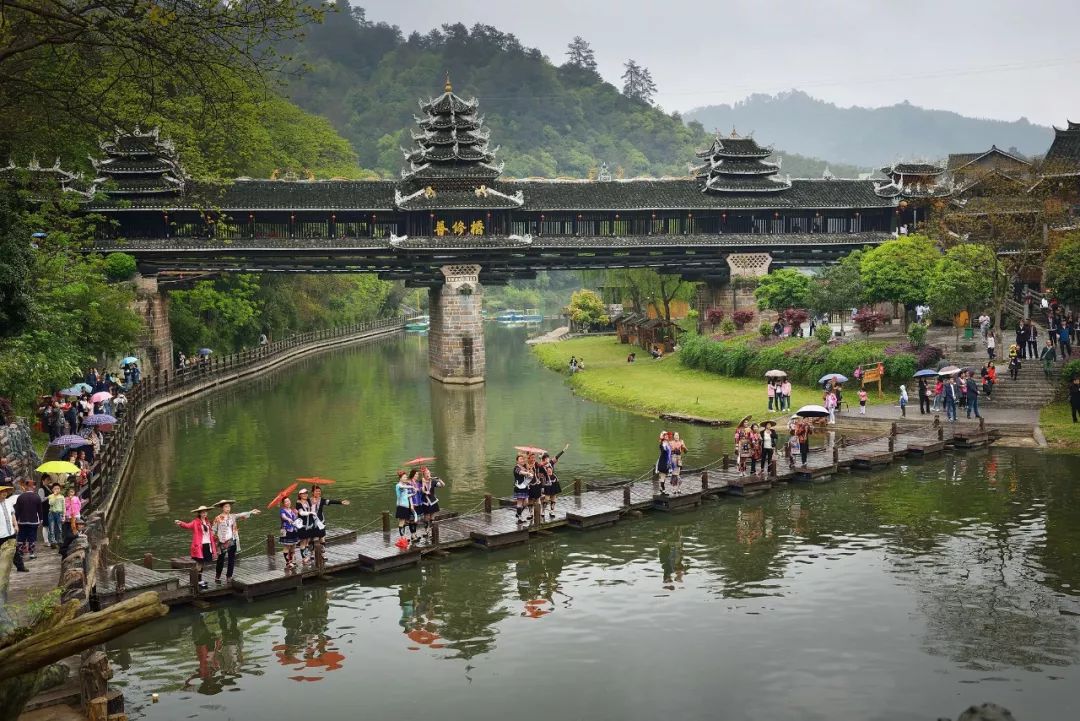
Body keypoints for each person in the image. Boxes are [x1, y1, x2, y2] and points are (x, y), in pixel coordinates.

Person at [211, 500, 260, 583]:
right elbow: (213, 530)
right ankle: (217, 575)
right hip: (222, 541)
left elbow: (241, 514)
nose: (228, 508)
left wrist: (251, 512)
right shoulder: (218, 518)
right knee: (220, 560)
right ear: (222, 508)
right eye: (226, 507)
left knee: (231, 559)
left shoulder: (232, 516)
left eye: (229, 506)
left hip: (232, 540)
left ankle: (229, 576)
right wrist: (214, 541)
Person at [174, 505, 216, 589]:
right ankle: (197, 580)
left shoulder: (207, 522)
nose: (204, 514)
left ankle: (200, 580)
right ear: (199, 513)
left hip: (207, 544)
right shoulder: (195, 522)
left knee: (203, 563)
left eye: (205, 512)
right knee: (199, 563)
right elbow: (187, 526)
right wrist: (180, 523)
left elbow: (210, 534)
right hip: (199, 546)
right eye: (202, 512)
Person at [13, 478, 43, 560]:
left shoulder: (20, 497)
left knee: (21, 537)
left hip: (22, 521)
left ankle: (20, 553)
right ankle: (32, 554)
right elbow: (40, 510)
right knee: (32, 537)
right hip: (33, 522)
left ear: (25, 487)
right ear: (33, 487)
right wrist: (41, 519)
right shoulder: (37, 497)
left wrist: (15, 520)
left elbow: (17, 511)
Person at [0, 483, 27, 572]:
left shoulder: (8, 502)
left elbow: (12, 514)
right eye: (2, 492)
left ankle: (20, 567)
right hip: (1, 533)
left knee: (15, 550)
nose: (5, 493)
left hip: (10, 531)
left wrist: (15, 525)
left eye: (5, 491)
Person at [540, 445, 568, 517]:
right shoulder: (541, 466)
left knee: (553, 497)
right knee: (546, 498)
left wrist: (563, 450)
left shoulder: (551, 463)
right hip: (547, 483)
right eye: (546, 458)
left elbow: (557, 457)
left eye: (548, 458)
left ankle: (552, 511)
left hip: (554, 481)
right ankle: (543, 511)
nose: (548, 459)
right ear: (543, 459)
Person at [418, 468, 443, 541]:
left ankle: (431, 529)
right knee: (426, 516)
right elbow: (420, 491)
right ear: (424, 474)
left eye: (429, 473)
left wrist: (439, 480)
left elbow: (442, 485)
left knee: (432, 516)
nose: (428, 474)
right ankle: (426, 531)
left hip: (432, 501)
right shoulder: (420, 482)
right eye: (426, 473)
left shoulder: (433, 481)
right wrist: (423, 484)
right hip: (425, 501)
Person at [294, 488, 317, 565]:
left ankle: (306, 556)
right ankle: (304, 558)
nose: (305, 495)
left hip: (309, 524)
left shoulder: (308, 501)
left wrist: (314, 504)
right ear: (300, 495)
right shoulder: (298, 503)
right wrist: (310, 512)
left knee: (307, 541)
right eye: (303, 494)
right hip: (303, 525)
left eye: (306, 493)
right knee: (303, 542)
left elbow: (313, 510)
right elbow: (301, 513)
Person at [279, 497, 301, 569]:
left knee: (293, 545)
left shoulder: (292, 510)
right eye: (286, 502)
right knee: (286, 546)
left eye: (288, 501)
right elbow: (283, 517)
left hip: (293, 529)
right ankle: (288, 562)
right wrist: (288, 518)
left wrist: (297, 514)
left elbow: (295, 519)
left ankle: (291, 560)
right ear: (283, 503)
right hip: (286, 530)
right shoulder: (282, 510)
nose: (288, 502)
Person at [512, 455, 531, 524]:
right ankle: (520, 518)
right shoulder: (516, 468)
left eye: (523, 459)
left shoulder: (524, 467)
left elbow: (527, 474)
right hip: (519, 486)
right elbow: (520, 472)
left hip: (525, 486)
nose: (522, 460)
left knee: (526, 502)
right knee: (519, 502)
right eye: (520, 459)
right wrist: (527, 473)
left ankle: (518, 513)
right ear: (517, 461)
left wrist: (528, 471)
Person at [45, 482, 64, 548]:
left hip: (59, 513)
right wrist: (55, 496)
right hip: (51, 513)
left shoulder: (62, 497)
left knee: (59, 528)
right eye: (55, 488)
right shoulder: (50, 496)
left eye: (58, 488)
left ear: (60, 489)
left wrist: (64, 515)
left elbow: (63, 507)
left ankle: (59, 541)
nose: (57, 490)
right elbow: (51, 503)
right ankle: (53, 542)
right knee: (51, 528)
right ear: (52, 490)